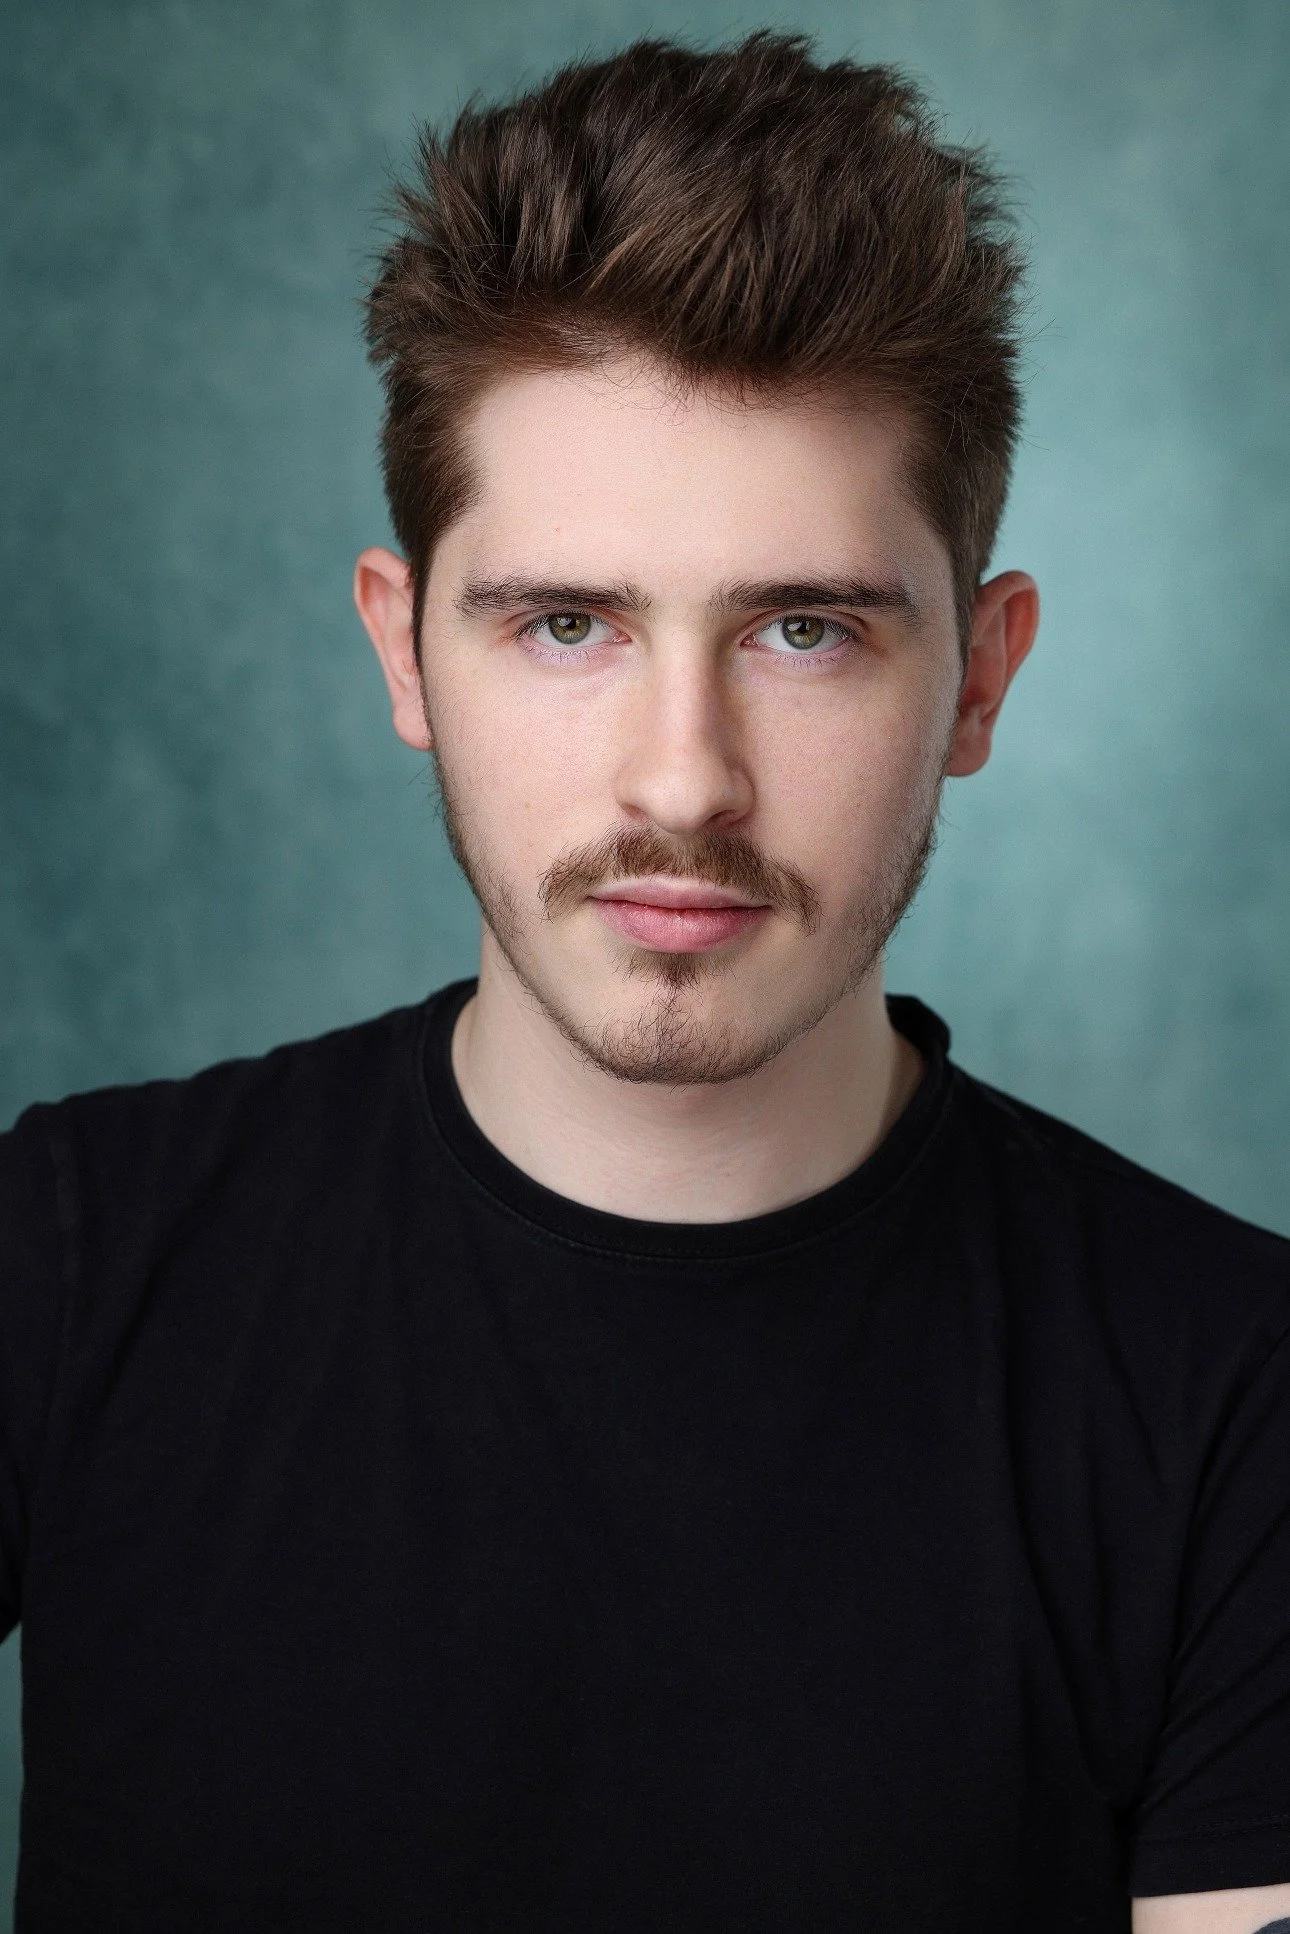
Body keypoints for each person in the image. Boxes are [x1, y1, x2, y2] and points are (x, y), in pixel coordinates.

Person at [1, 32, 1287, 1934]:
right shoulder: (63, 1252)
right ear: (407, 653)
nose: (682, 775)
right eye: (568, 623)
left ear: (981, 678)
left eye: (803, 627)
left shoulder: (1234, 1403)